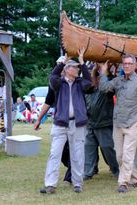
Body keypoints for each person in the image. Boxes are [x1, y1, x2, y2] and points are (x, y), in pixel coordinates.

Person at [99, 54, 137, 193]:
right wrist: (103, 72)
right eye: (124, 63)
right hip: (118, 123)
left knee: (127, 155)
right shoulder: (118, 81)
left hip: (133, 123)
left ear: (135, 65)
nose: (127, 66)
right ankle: (135, 179)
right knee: (119, 156)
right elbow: (104, 88)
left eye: (130, 63)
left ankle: (123, 183)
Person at [40, 48, 92, 194]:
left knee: (78, 154)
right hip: (60, 124)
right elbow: (52, 77)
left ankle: (77, 184)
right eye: (75, 68)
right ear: (67, 69)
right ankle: (50, 185)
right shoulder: (58, 83)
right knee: (54, 154)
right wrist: (62, 62)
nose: (77, 70)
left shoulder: (81, 83)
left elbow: (89, 82)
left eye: (77, 68)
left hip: (78, 124)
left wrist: (82, 63)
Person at [83, 63, 119, 180]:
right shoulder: (89, 88)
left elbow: (114, 83)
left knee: (108, 147)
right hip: (90, 124)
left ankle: (116, 170)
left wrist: (106, 72)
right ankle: (88, 172)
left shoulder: (107, 88)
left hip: (104, 123)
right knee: (88, 149)